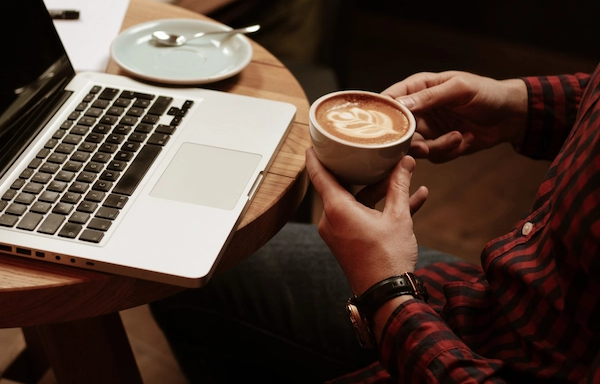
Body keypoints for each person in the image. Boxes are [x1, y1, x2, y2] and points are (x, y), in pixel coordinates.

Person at [150, 67, 600, 383]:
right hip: (493, 303)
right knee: (200, 268)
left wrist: (386, 293)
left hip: (474, 358)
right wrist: (520, 105)